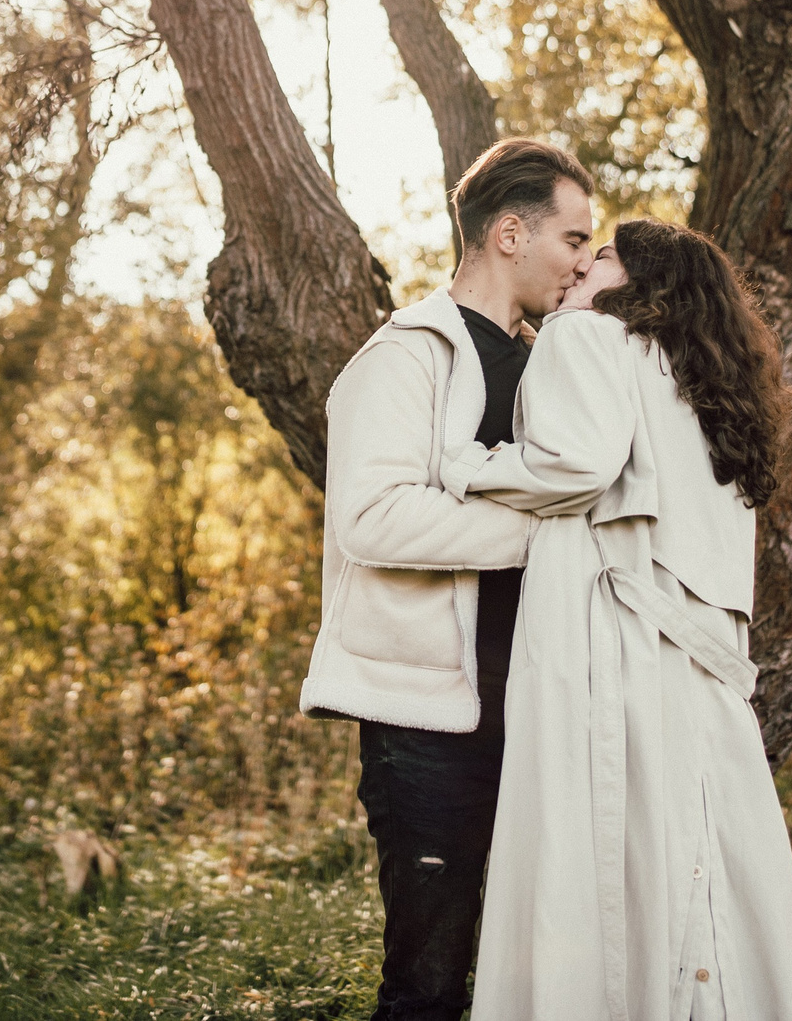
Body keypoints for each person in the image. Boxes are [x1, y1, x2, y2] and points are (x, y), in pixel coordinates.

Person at [449, 218, 792, 1021]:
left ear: (645, 282)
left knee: (602, 872)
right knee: (706, 878)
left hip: (612, 646)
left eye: (599, 256)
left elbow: (576, 464)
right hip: (701, 670)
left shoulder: (583, 338)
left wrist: (465, 462)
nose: (578, 269)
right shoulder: (712, 398)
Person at [300, 138, 598, 1021]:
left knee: (529, 977)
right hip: (428, 732)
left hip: (538, 714)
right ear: (510, 232)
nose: (583, 260)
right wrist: (538, 537)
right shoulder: (403, 359)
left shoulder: (553, 362)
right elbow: (373, 516)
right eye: (574, 238)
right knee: (428, 987)